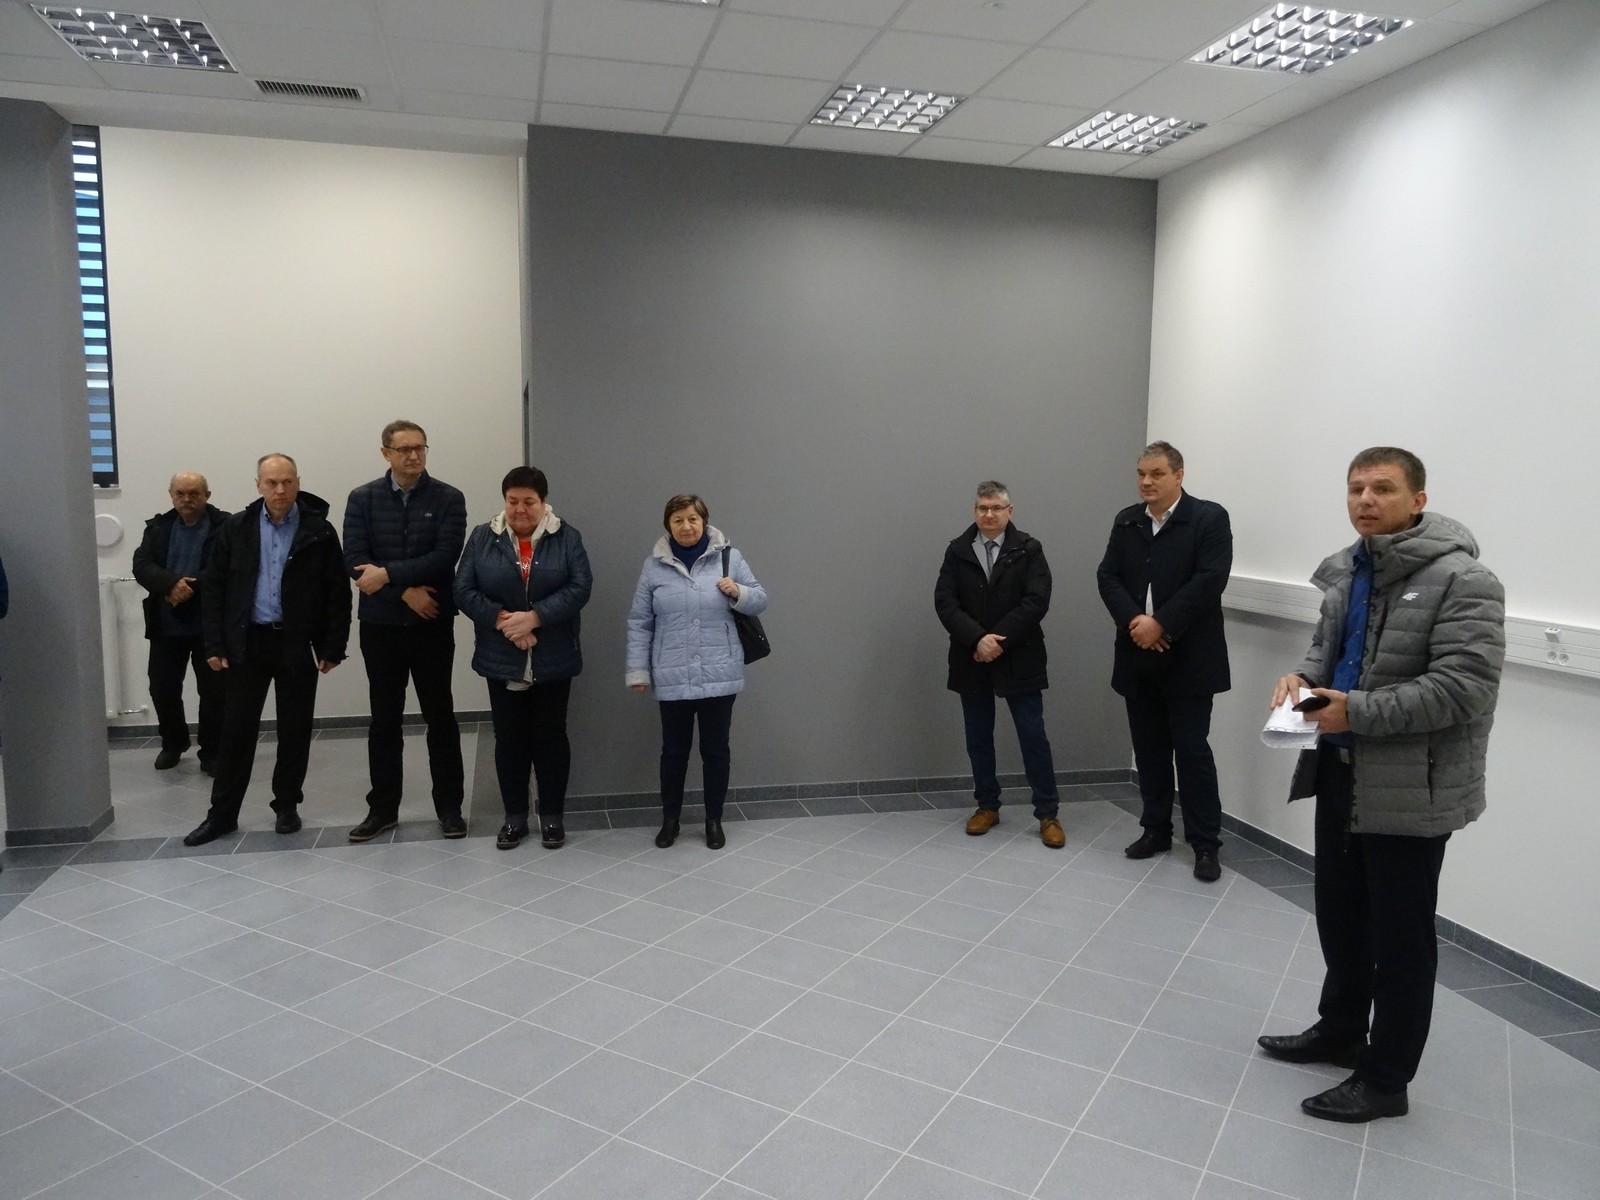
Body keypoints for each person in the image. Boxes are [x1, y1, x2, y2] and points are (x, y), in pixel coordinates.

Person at [1257, 447, 1505, 1124]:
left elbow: (1464, 688)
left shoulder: (1464, 580)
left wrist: (1357, 712)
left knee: (1400, 941)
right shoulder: (1347, 571)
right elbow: (1326, 655)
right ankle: (1340, 1030)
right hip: (1339, 771)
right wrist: (1301, 681)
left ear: (1418, 500)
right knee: (1341, 918)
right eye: (1356, 488)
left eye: (1383, 489)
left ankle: (1386, 1079)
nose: (1365, 500)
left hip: (1411, 789)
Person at [184, 454, 350, 846]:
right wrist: (214, 644)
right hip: (247, 642)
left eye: (287, 482)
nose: (280, 490)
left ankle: (287, 806)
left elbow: (337, 592)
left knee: (295, 729)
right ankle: (222, 815)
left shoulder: (318, 530)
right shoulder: (236, 528)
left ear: (298, 483)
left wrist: (333, 646)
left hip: (295, 642)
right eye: (272, 482)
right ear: (257, 484)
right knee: (236, 732)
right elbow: (214, 590)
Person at [1095, 441, 1233, 882]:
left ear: (1179, 475)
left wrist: (1162, 625)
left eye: (1156, 474)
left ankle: (1205, 843)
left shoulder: (1209, 518)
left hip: (1191, 658)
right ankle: (1155, 830)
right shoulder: (1128, 520)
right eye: (1141, 473)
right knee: (1150, 750)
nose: (1146, 482)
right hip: (1138, 653)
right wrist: (1137, 621)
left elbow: (1209, 580)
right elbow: (1107, 576)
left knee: (1191, 751)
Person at [342, 420, 468, 842]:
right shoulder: (362, 498)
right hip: (381, 626)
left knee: (440, 717)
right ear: (386, 453)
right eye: (404, 449)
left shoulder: (449, 497)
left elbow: (445, 556)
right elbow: (355, 560)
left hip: (431, 622)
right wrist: (403, 591)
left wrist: (390, 575)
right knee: (384, 720)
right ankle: (382, 810)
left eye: (420, 448)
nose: (414, 455)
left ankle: (449, 808)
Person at [454, 466, 590, 850]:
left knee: (551, 738)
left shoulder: (566, 537)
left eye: (528, 502)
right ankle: (514, 817)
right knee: (509, 740)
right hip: (502, 656)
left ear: (544, 502)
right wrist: (506, 622)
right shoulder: (483, 536)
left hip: (553, 657)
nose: (519, 509)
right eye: (512, 501)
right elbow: (463, 589)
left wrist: (536, 618)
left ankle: (551, 817)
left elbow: (580, 586)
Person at [626, 494, 768, 851]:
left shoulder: (729, 558)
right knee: (673, 752)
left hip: (720, 673)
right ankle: (670, 820)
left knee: (716, 751)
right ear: (668, 526)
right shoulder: (653, 567)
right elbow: (640, 621)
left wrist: (738, 592)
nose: (686, 526)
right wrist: (638, 670)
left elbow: (760, 599)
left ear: (704, 521)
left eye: (692, 519)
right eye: (678, 520)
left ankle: (713, 820)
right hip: (672, 673)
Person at [934, 481, 1064, 849]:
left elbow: (1036, 601)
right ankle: (987, 806)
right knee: (978, 736)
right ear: (975, 511)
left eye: (995, 508)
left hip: (1020, 657)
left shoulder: (1029, 549)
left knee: (1032, 735)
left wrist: (997, 641)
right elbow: (945, 601)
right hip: (971, 657)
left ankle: (1048, 814)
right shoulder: (957, 551)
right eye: (982, 508)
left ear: (1010, 511)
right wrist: (978, 639)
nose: (988, 514)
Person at [131, 472, 229, 774]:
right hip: (166, 623)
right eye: (181, 493)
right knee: (162, 687)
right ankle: (173, 743)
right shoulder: (157, 528)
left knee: (214, 692)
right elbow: (141, 565)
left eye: (195, 493)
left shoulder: (225, 526)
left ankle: (212, 751)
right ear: (171, 495)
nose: (187, 499)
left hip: (209, 623)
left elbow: (228, 566)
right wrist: (171, 584)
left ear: (207, 495)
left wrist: (190, 586)